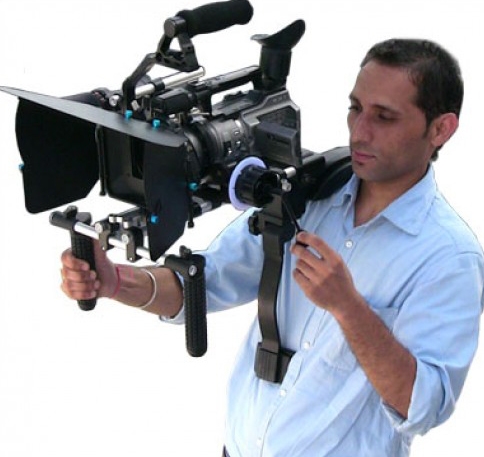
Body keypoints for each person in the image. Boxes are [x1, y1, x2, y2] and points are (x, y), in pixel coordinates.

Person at [60, 38, 484, 456]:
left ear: (440, 129)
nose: (359, 131)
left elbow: (423, 406)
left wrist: (348, 307)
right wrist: (116, 282)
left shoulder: (450, 258)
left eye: (384, 116)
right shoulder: (307, 193)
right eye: (355, 108)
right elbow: (205, 281)